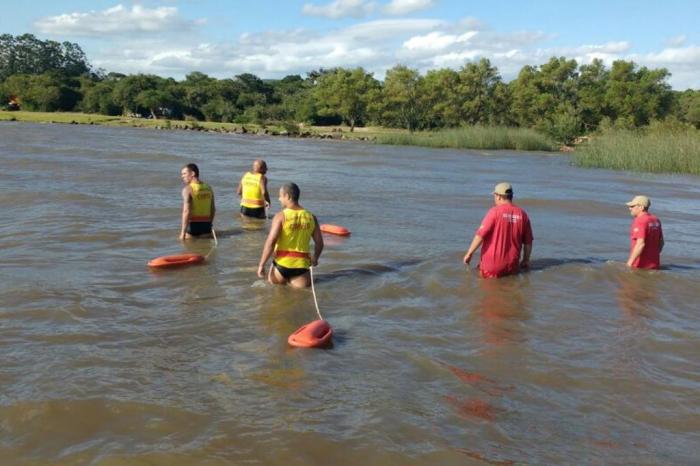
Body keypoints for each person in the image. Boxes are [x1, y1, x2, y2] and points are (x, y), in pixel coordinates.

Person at [257, 183, 323, 288]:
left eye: (280, 196)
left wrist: (261, 264)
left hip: (281, 266)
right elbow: (319, 243)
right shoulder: (311, 217)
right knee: (298, 300)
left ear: (287, 196)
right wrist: (315, 258)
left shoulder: (280, 216)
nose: (279, 199)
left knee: (276, 299)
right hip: (301, 268)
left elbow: (271, 241)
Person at [463, 182, 533, 278]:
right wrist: (525, 260)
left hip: (492, 267)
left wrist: (469, 253)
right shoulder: (523, 214)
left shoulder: (494, 212)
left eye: (494, 195)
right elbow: (528, 242)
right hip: (512, 267)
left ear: (499, 196)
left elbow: (480, 235)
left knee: (486, 289)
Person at [626, 195, 664, 269]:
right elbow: (661, 243)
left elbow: (640, 244)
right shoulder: (656, 220)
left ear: (641, 207)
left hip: (639, 266)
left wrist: (629, 263)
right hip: (654, 266)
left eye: (632, 206)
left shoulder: (640, 220)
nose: (630, 208)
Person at [179, 163, 215, 240]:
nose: (182, 176)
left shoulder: (188, 189)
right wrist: (210, 224)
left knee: (191, 249)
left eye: (184, 173)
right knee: (204, 249)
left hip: (192, 227)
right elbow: (213, 209)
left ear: (192, 173)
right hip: (206, 226)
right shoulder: (208, 188)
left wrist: (182, 233)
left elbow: (186, 211)